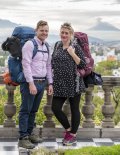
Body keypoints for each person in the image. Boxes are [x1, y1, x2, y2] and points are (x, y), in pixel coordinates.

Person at [18, 20, 53, 149]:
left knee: (33, 110)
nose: (44, 33)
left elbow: (48, 66)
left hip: (42, 83)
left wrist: (50, 83)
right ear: (36, 31)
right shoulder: (29, 44)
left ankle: (30, 133)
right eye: (42, 30)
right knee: (25, 110)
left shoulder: (47, 46)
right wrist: (31, 83)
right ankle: (23, 138)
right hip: (30, 83)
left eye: (46, 31)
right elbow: (26, 64)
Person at [51, 23, 86, 146]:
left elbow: (83, 64)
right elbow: (52, 63)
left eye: (67, 33)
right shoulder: (57, 45)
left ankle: (73, 135)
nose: (64, 35)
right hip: (59, 83)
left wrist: (72, 53)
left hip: (73, 83)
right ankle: (68, 130)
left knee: (74, 109)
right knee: (55, 107)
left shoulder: (75, 46)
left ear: (71, 34)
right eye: (62, 32)